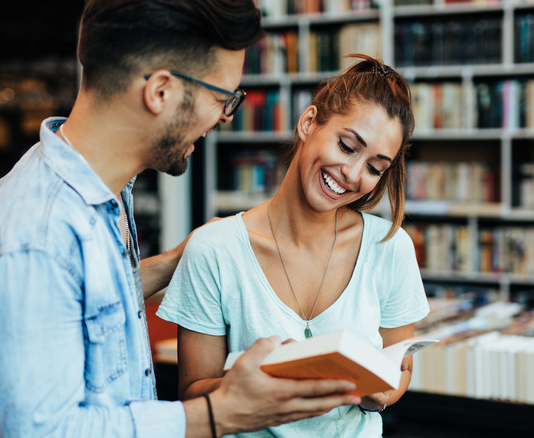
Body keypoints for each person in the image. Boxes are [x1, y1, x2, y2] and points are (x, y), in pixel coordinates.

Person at [0, 1, 362, 437]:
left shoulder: (97, 195)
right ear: (160, 91)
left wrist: (171, 263)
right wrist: (223, 412)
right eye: (223, 98)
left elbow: (77, 305)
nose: (224, 116)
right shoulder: (36, 240)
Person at [156, 54, 430, 437]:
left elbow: (399, 370)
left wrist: (380, 392)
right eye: (348, 146)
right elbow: (193, 394)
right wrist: (260, 388)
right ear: (308, 123)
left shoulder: (390, 246)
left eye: (375, 167)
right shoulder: (214, 249)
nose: (352, 174)